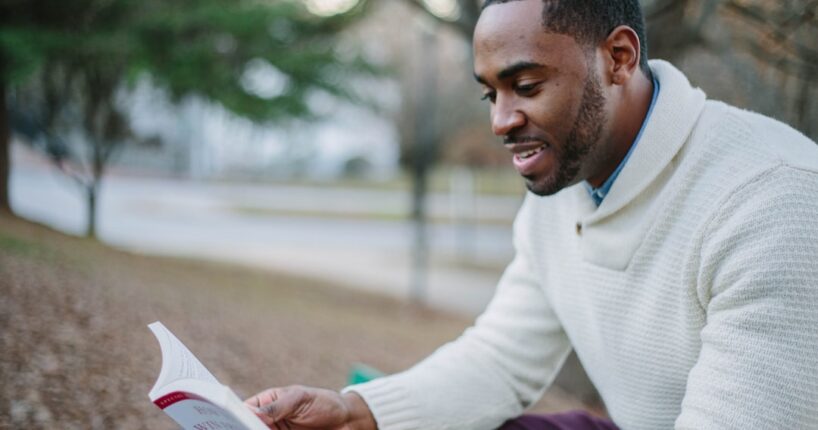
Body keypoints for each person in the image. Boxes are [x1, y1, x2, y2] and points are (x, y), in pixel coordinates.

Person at [246, 0, 818, 429]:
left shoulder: (772, 201)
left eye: (524, 86)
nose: (500, 121)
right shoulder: (567, 182)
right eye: (490, 94)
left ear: (618, 58)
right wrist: (353, 412)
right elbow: (500, 361)